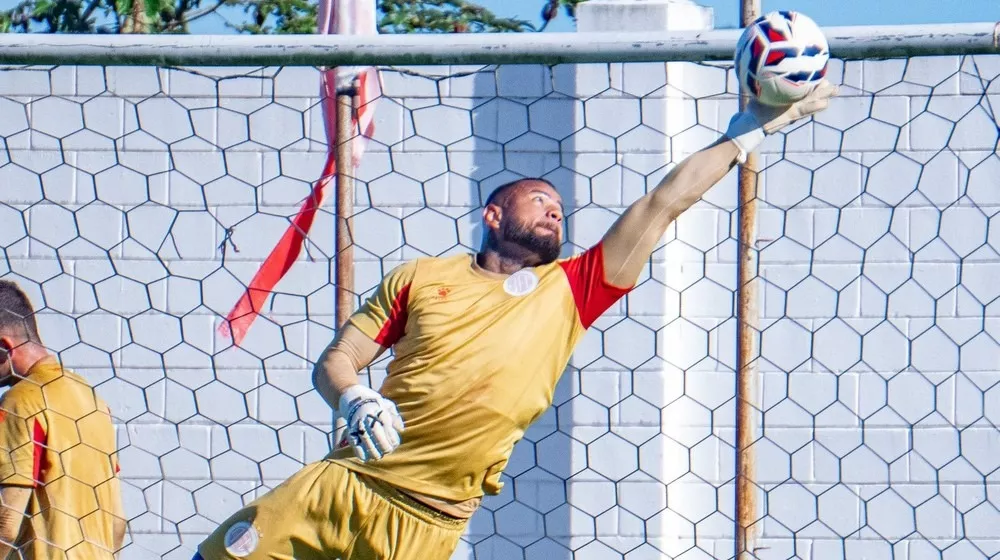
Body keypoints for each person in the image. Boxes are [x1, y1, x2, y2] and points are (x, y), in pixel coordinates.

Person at [195, 81, 837, 560]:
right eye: (539, 200)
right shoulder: (419, 278)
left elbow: (665, 202)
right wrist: (354, 397)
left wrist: (747, 131)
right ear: (494, 216)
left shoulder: (575, 288)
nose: (555, 210)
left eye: (560, 207)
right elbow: (336, 360)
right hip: (344, 484)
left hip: (429, 521)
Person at [0, 280, 126, 559]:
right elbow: (117, 523)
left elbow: (7, 523)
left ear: (4, 346)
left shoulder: (21, 401)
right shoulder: (92, 399)